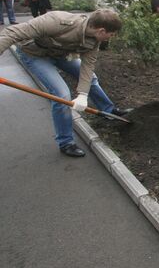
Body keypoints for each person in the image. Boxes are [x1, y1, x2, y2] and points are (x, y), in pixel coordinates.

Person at [0, 10, 132, 157]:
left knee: (91, 79)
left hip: (60, 54)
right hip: (35, 55)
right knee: (61, 94)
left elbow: (87, 67)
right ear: (101, 30)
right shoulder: (56, 21)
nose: (111, 38)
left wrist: (83, 94)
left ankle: (108, 110)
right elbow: (11, 32)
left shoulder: (94, 40)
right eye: (111, 34)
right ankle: (66, 142)